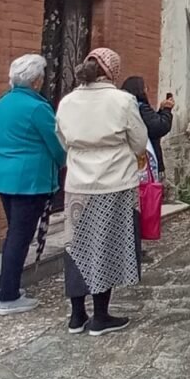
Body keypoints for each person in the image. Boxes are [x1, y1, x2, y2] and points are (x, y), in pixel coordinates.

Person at [55, 48, 148, 336]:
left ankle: (76, 314)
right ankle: (101, 315)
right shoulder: (122, 101)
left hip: (78, 184)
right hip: (113, 182)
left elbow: (61, 139)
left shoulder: (67, 101)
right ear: (112, 71)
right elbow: (139, 139)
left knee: (77, 246)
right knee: (106, 245)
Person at [0, 54, 67, 315]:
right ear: (35, 81)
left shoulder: (4, 102)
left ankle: (9, 288)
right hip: (29, 179)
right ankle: (8, 295)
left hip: (3, 174)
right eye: (42, 77)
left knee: (15, 233)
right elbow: (56, 143)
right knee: (19, 237)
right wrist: (63, 161)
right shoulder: (37, 107)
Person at [120, 76, 174, 181]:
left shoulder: (124, 107)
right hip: (146, 162)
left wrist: (161, 111)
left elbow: (149, 124)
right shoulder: (141, 107)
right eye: (145, 88)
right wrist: (167, 110)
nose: (146, 91)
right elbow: (159, 127)